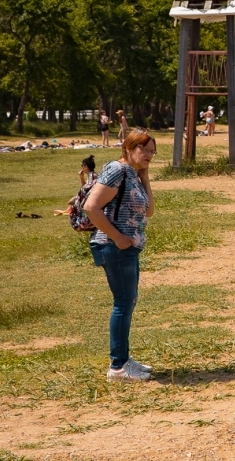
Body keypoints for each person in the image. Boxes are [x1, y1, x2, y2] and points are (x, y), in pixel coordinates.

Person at [84, 128, 157, 382]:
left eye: (151, 152)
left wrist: (145, 177)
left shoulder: (133, 173)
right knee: (123, 303)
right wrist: (118, 237)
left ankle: (124, 360)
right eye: (143, 149)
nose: (148, 155)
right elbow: (91, 207)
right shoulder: (117, 170)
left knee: (128, 301)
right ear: (128, 147)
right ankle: (117, 367)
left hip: (127, 247)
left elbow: (148, 211)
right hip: (113, 247)